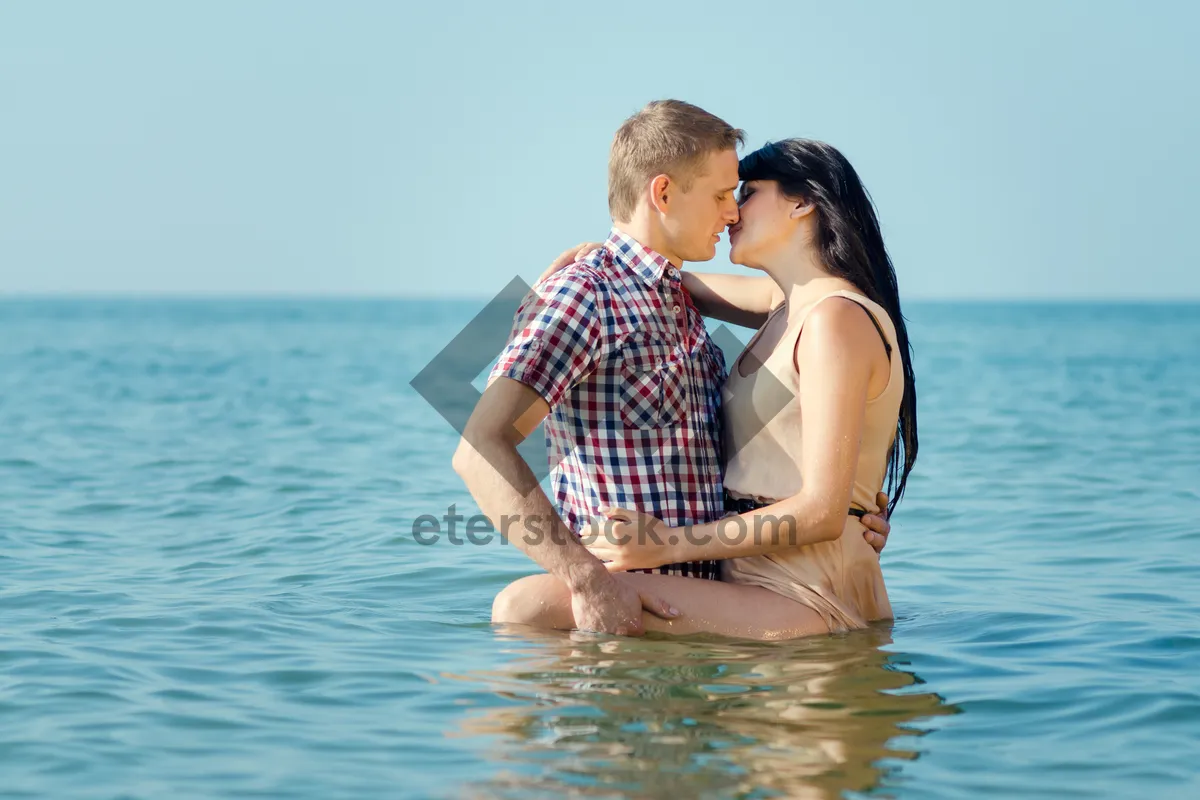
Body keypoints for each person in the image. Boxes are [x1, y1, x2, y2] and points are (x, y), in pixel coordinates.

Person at [452, 101, 893, 638]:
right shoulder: (595, 293)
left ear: (802, 206)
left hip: (753, 594)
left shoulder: (793, 311)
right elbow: (480, 448)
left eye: (742, 195)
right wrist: (586, 579)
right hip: (695, 594)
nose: (731, 212)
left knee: (525, 609)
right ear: (662, 193)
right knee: (522, 607)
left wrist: (848, 511)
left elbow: (817, 494)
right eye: (722, 195)